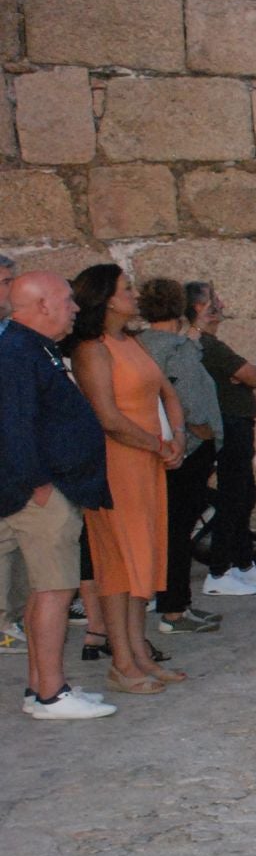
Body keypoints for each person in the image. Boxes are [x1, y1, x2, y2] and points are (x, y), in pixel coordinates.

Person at [0, 271, 115, 719]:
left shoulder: (31, 349)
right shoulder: (17, 352)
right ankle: (51, 693)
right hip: (38, 497)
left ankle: (40, 688)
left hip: (42, 491)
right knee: (54, 590)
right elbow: (13, 427)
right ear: (42, 305)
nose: (75, 307)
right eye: (67, 300)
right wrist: (41, 486)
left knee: (46, 591)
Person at [67, 265, 185, 696]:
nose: (135, 294)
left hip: (146, 462)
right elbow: (107, 418)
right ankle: (121, 661)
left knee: (144, 561)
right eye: (127, 288)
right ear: (107, 299)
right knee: (119, 566)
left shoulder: (129, 342)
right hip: (118, 465)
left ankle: (138, 654)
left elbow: (167, 393)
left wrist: (177, 437)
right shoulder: (92, 350)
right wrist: (158, 444)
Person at [135, 278, 223, 636]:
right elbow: (190, 398)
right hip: (185, 450)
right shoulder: (175, 348)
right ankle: (174, 608)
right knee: (178, 531)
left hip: (154, 448)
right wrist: (204, 432)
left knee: (166, 529)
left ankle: (170, 601)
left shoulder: (138, 344)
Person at [187, 282, 256, 597]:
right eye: (214, 300)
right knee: (232, 497)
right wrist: (245, 374)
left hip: (238, 424)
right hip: (228, 426)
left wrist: (245, 374)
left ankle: (242, 562)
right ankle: (219, 570)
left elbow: (250, 374)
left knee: (243, 495)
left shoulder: (211, 344)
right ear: (200, 308)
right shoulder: (207, 346)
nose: (222, 304)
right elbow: (253, 376)